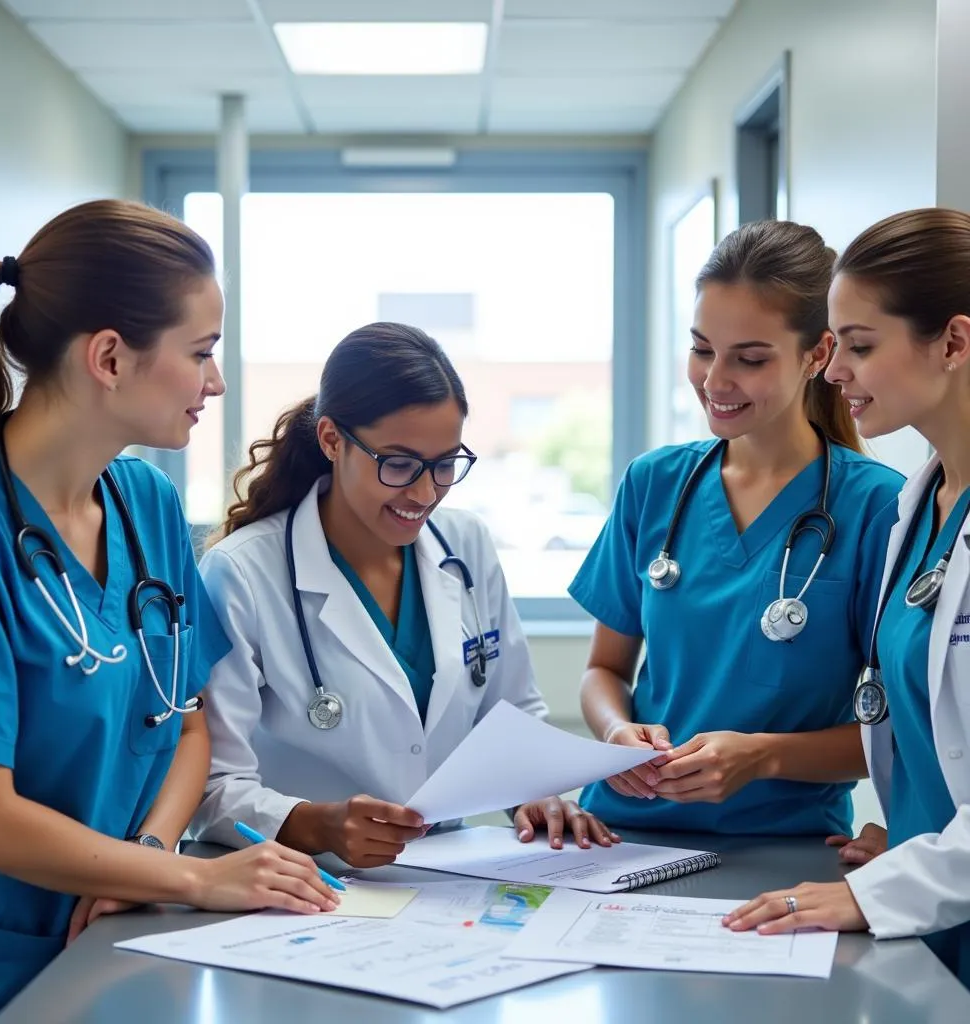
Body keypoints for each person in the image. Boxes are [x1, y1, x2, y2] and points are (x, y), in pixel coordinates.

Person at [0, 201, 339, 1023]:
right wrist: (195, 876)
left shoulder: (147, 504)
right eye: (201, 352)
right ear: (110, 358)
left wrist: (147, 859)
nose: (216, 381)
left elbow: (187, 723)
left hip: (128, 936)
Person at [191, 322, 618, 867]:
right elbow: (212, 785)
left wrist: (534, 791)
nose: (424, 493)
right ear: (331, 440)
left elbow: (512, 712)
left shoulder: (465, 545)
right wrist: (318, 824)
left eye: (444, 465)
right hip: (307, 882)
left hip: (448, 874)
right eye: (397, 464)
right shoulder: (242, 573)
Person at [572, 220, 904, 838]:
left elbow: (898, 732)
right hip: (620, 836)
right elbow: (603, 672)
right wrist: (618, 733)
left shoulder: (878, 507)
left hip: (786, 848)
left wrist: (763, 758)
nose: (715, 381)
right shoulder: (653, 484)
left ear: (818, 354)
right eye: (702, 350)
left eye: (749, 359)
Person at [725, 208, 970, 992]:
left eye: (860, 347)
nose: (834, 373)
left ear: (955, 343)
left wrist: (876, 891)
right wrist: (907, 839)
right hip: (932, 912)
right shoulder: (919, 506)